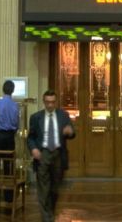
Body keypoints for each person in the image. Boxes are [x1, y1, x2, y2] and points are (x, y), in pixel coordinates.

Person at [27, 90, 76, 222]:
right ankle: (47, 218)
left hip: (58, 154)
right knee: (43, 189)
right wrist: (34, 149)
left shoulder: (63, 115)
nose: (50, 105)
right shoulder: (36, 117)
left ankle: (50, 212)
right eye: (47, 102)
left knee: (54, 189)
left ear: (56, 102)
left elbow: (72, 132)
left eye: (53, 102)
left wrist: (70, 132)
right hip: (42, 154)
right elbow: (30, 138)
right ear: (44, 102)